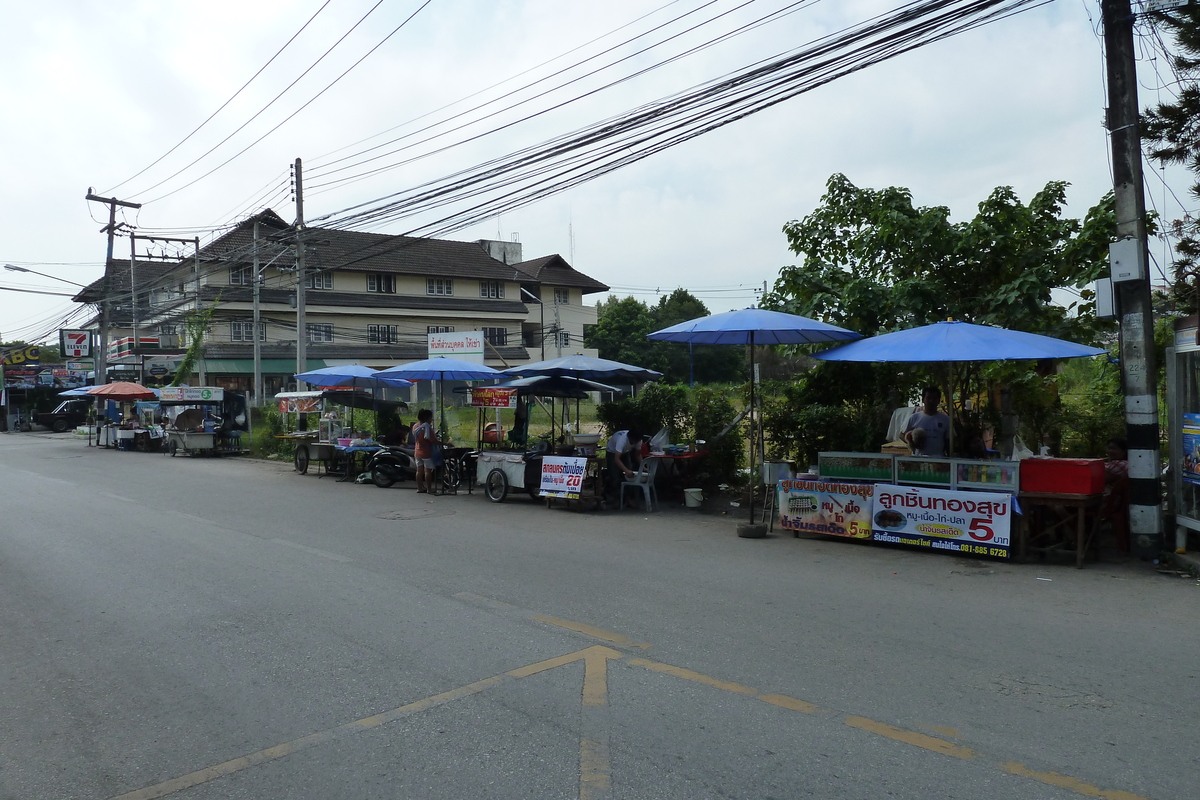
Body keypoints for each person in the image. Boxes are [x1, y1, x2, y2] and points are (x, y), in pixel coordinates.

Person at [1101, 437, 1130, 555]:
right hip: (1118, 503)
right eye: (1109, 448)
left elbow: (1100, 480)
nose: (1110, 451)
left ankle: (1077, 539)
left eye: (1114, 448)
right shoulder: (1127, 464)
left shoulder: (1118, 465)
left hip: (1108, 504)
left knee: (1061, 508)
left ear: (1123, 452)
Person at [903, 386, 951, 456]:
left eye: (934, 398)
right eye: (928, 398)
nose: (931, 401)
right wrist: (911, 442)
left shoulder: (946, 419)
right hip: (919, 458)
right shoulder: (914, 417)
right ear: (923, 400)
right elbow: (901, 434)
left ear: (938, 401)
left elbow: (949, 441)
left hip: (939, 459)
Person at [605, 427, 644, 498]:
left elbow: (638, 454)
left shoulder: (638, 440)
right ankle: (614, 498)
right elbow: (617, 459)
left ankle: (627, 499)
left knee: (629, 476)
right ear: (630, 438)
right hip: (612, 452)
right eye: (633, 441)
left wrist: (643, 466)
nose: (634, 443)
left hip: (625, 452)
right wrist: (626, 470)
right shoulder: (622, 440)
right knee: (615, 476)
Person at [412, 409, 438, 494]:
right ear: (426, 418)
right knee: (428, 471)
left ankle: (419, 488)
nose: (431, 419)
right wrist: (446, 444)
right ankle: (429, 489)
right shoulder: (427, 428)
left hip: (417, 451)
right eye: (431, 417)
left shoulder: (416, 426)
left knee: (419, 471)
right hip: (426, 452)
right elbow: (433, 441)